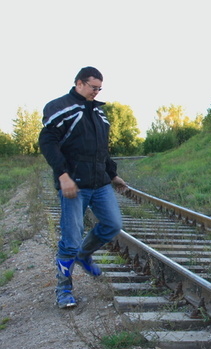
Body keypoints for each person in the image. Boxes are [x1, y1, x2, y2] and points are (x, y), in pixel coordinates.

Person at [39, 66, 127, 309]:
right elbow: (48, 143)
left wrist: (113, 174)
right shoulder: (60, 108)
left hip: (99, 183)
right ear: (79, 83)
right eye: (93, 87)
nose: (96, 92)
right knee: (70, 238)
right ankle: (63, 288)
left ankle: (84, 255)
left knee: (112, 224)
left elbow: (101, 150)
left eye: (100, 88)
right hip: (73, 185)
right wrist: (62, 176)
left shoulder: (100, 115)